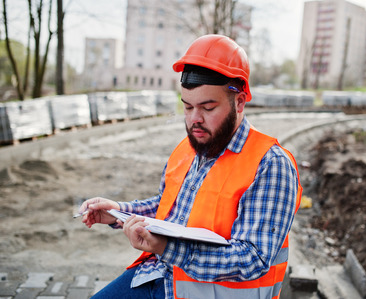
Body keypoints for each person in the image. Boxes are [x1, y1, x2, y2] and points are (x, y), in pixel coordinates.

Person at [79, 34, 302, 299]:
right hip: (160, 277)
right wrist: (120, 213)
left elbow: (252, 258)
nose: (195, 119)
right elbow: (170, 210)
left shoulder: (271, 165)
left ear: (239, 101)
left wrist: (167, 248)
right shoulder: (188, 148)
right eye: (187, 107)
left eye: (208, 108)